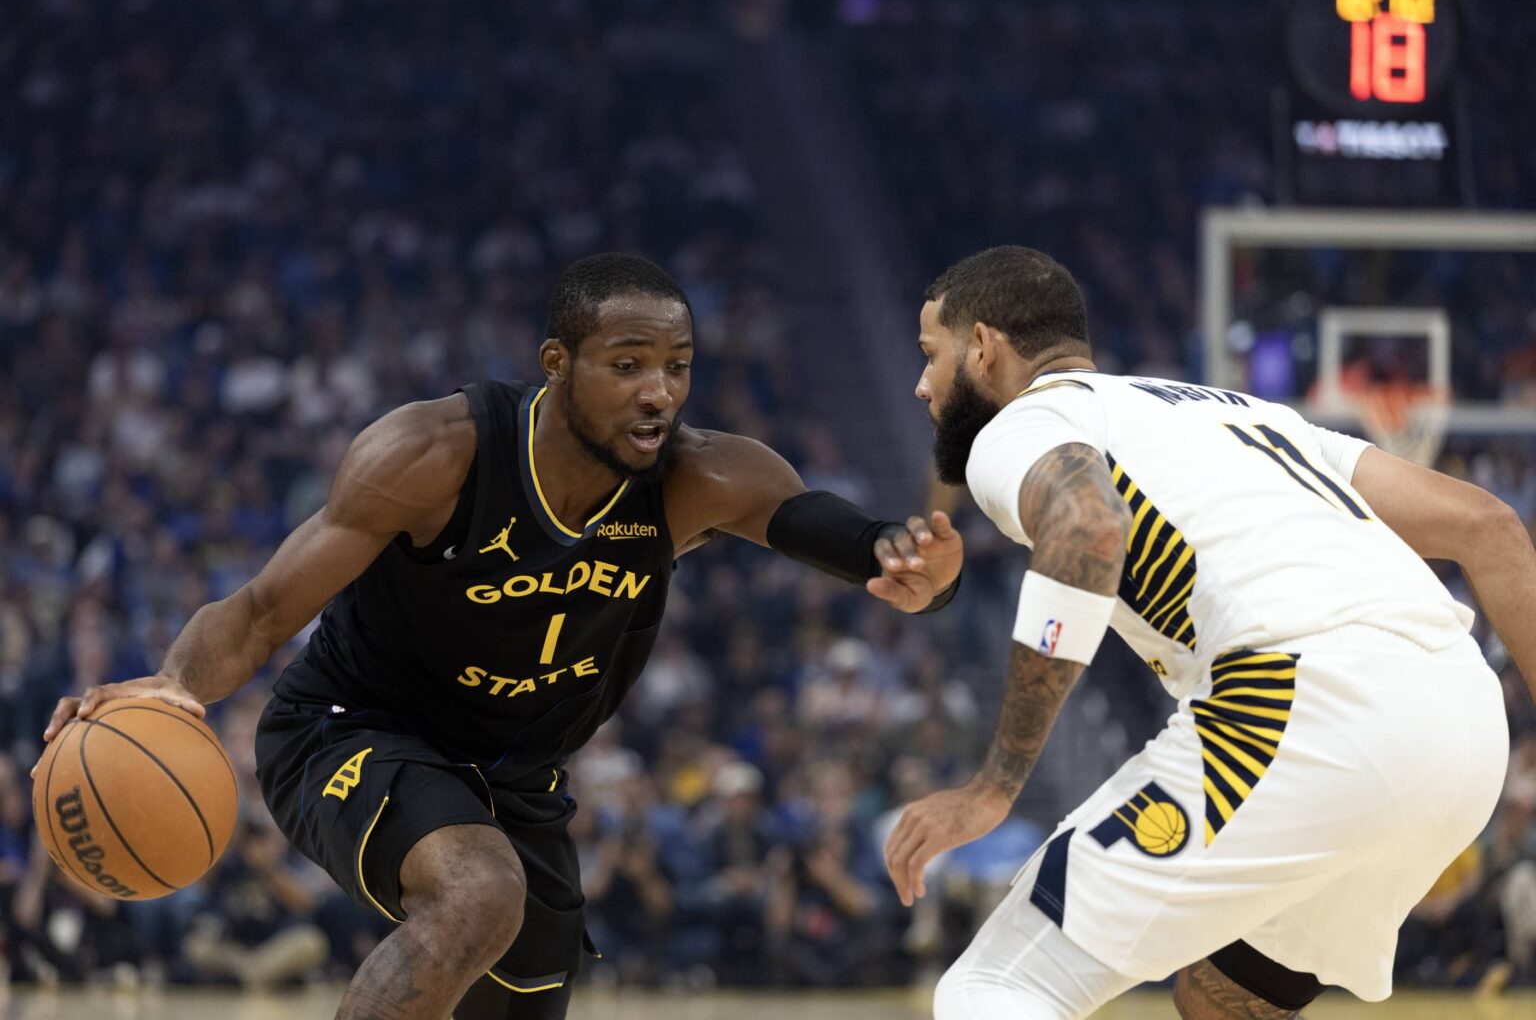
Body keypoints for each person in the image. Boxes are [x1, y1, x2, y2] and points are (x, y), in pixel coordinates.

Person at [39, 253, 963, 1020]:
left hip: (516, 777)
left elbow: (823, 525)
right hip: (351, 726)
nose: (659, 393)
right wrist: (175, 686)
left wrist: (902, 554)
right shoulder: (433, 455)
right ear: (557, 363)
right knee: (479, 893)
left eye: (677, 366)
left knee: (513, 983)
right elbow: (259, 612)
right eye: (628, 362)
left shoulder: (698, 478)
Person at [883, 246, 1535, 1019]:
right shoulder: (1240, 412)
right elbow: (1488, 526)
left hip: (1313, 704)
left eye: (932, 355)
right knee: (1223, 999)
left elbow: (1090, 525)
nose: (924, 384)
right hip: (1463, 722)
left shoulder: (1024, 422)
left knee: (998, 985)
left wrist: (995, 785)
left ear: (984, 347)